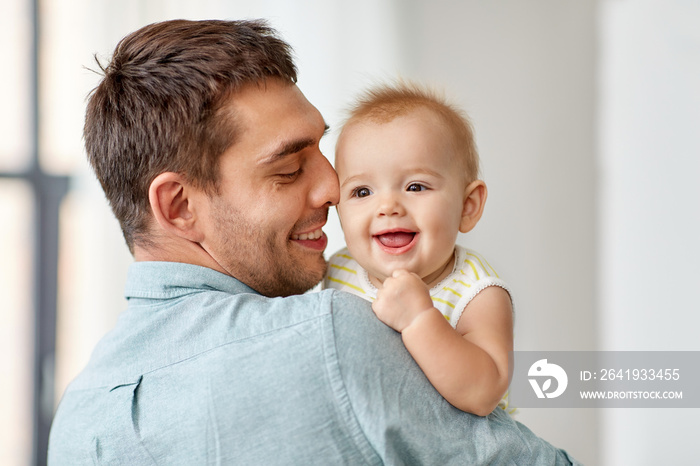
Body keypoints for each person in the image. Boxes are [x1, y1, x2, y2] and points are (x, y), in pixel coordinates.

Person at [48, 19, 579, 465]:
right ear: (180, 206)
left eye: (324, 151)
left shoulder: (78, 419)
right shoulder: (333, 334)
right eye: (287, 168)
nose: (333, 189)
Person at [324, 82, 513, 417]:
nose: (388, 206)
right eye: (362, 192)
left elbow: (484, 392)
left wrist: (420, 319)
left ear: (467, 206)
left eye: (415, 186)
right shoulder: (338, 269)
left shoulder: (476, 293)